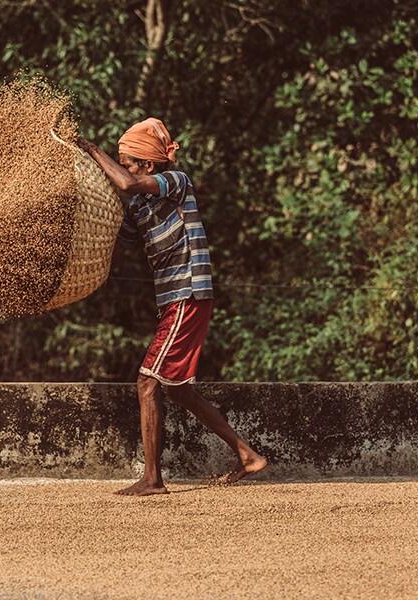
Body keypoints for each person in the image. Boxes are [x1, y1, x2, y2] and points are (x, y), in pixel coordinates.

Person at [76, 118, 267, 496]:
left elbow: (127, 183)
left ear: (148, 165)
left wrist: (91, 150)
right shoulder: (139, 209)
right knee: (177, 389)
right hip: (173, 300)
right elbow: (115, 252)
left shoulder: (176, 183)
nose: (126, 169)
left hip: (188, 293)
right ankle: (248, 455)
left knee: (147, 382)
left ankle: (152, 479)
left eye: (129, 162)